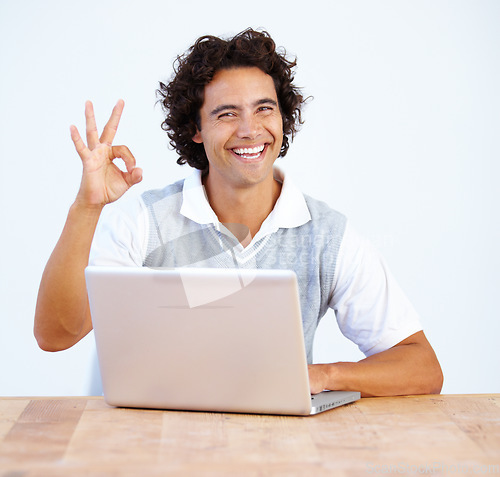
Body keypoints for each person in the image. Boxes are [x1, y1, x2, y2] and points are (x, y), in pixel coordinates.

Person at [34, 28, 443, 397]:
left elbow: (422, 367)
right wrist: (87, 206)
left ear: (282, 118)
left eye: (264, 109)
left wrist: (323, 376)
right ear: (196, 128)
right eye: (227, 113)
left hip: (270, 445)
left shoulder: (328, 235)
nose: (249, 129)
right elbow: (56, 335)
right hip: (146, 443)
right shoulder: (145, 222)